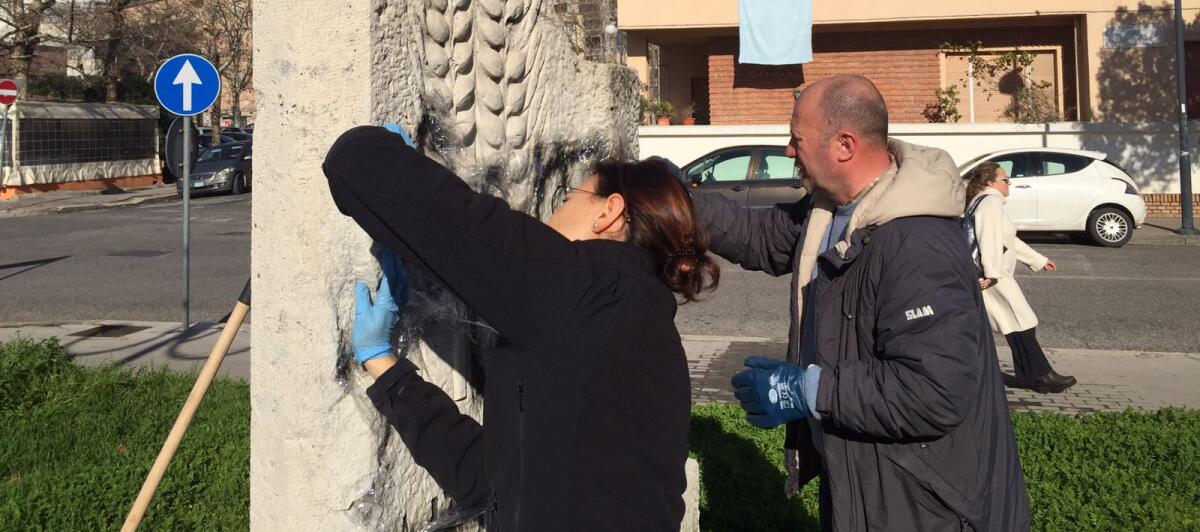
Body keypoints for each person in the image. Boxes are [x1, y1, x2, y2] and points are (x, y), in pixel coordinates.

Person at [323, 125, 719, 532]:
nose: (551, 214)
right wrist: (386, 369)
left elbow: (356, 163)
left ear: (609, 211)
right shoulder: (627, 320)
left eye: (568, 198)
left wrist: (392, 156)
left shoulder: (590, 287)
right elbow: (498, 487)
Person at [692, 74, 1029, 531]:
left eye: (796, 140)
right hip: (866, 478)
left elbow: (934, 390)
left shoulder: (915, 243)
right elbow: (762, 237)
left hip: (929, 502)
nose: (789, 152)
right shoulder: (833, 208)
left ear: (845, 145)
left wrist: (806, 390)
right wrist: (675, 197)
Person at [965, 161, 1076, 394]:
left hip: (992, 273)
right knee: (1021, 321)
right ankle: (1041, 376)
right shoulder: (991, 202)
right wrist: (992, 273)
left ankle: (1032, 374)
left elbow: (1008, 240)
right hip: (993, 276)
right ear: (990, 182)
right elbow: (989, 238)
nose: (1009, 184)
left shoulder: (981, 202)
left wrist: (1037, 259)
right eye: (1005, 179)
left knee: (1016, 323)